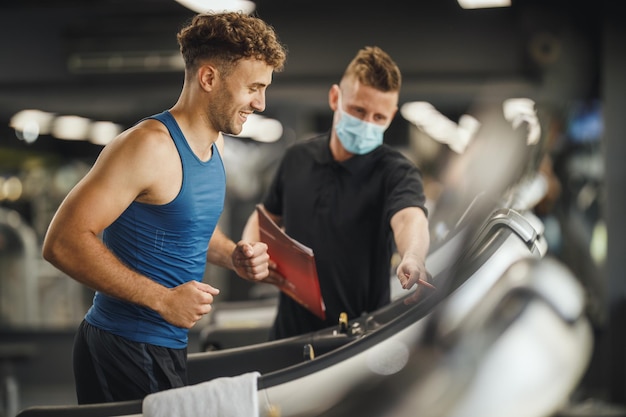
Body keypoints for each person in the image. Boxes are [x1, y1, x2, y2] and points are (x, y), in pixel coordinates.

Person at [42, 11, 287, 404]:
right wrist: (163, 299)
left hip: (167, 343)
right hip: (121, 345)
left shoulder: (215, 145)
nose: (260, 103)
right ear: (209, 78)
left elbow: (187, 228)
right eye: (253, 88)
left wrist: (232, 256)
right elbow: (62, 242)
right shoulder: (147, 146)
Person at [242, 46, 431, 340]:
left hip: (357, 340)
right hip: (289, 336)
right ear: (335, 98)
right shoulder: (297, 158)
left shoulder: (396, 171)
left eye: (378, 117)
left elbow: (409, 219)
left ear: (392, 115)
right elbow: (265, 215)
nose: (367, 124)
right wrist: (248, 249)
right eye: (358, 110)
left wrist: (414, 257)